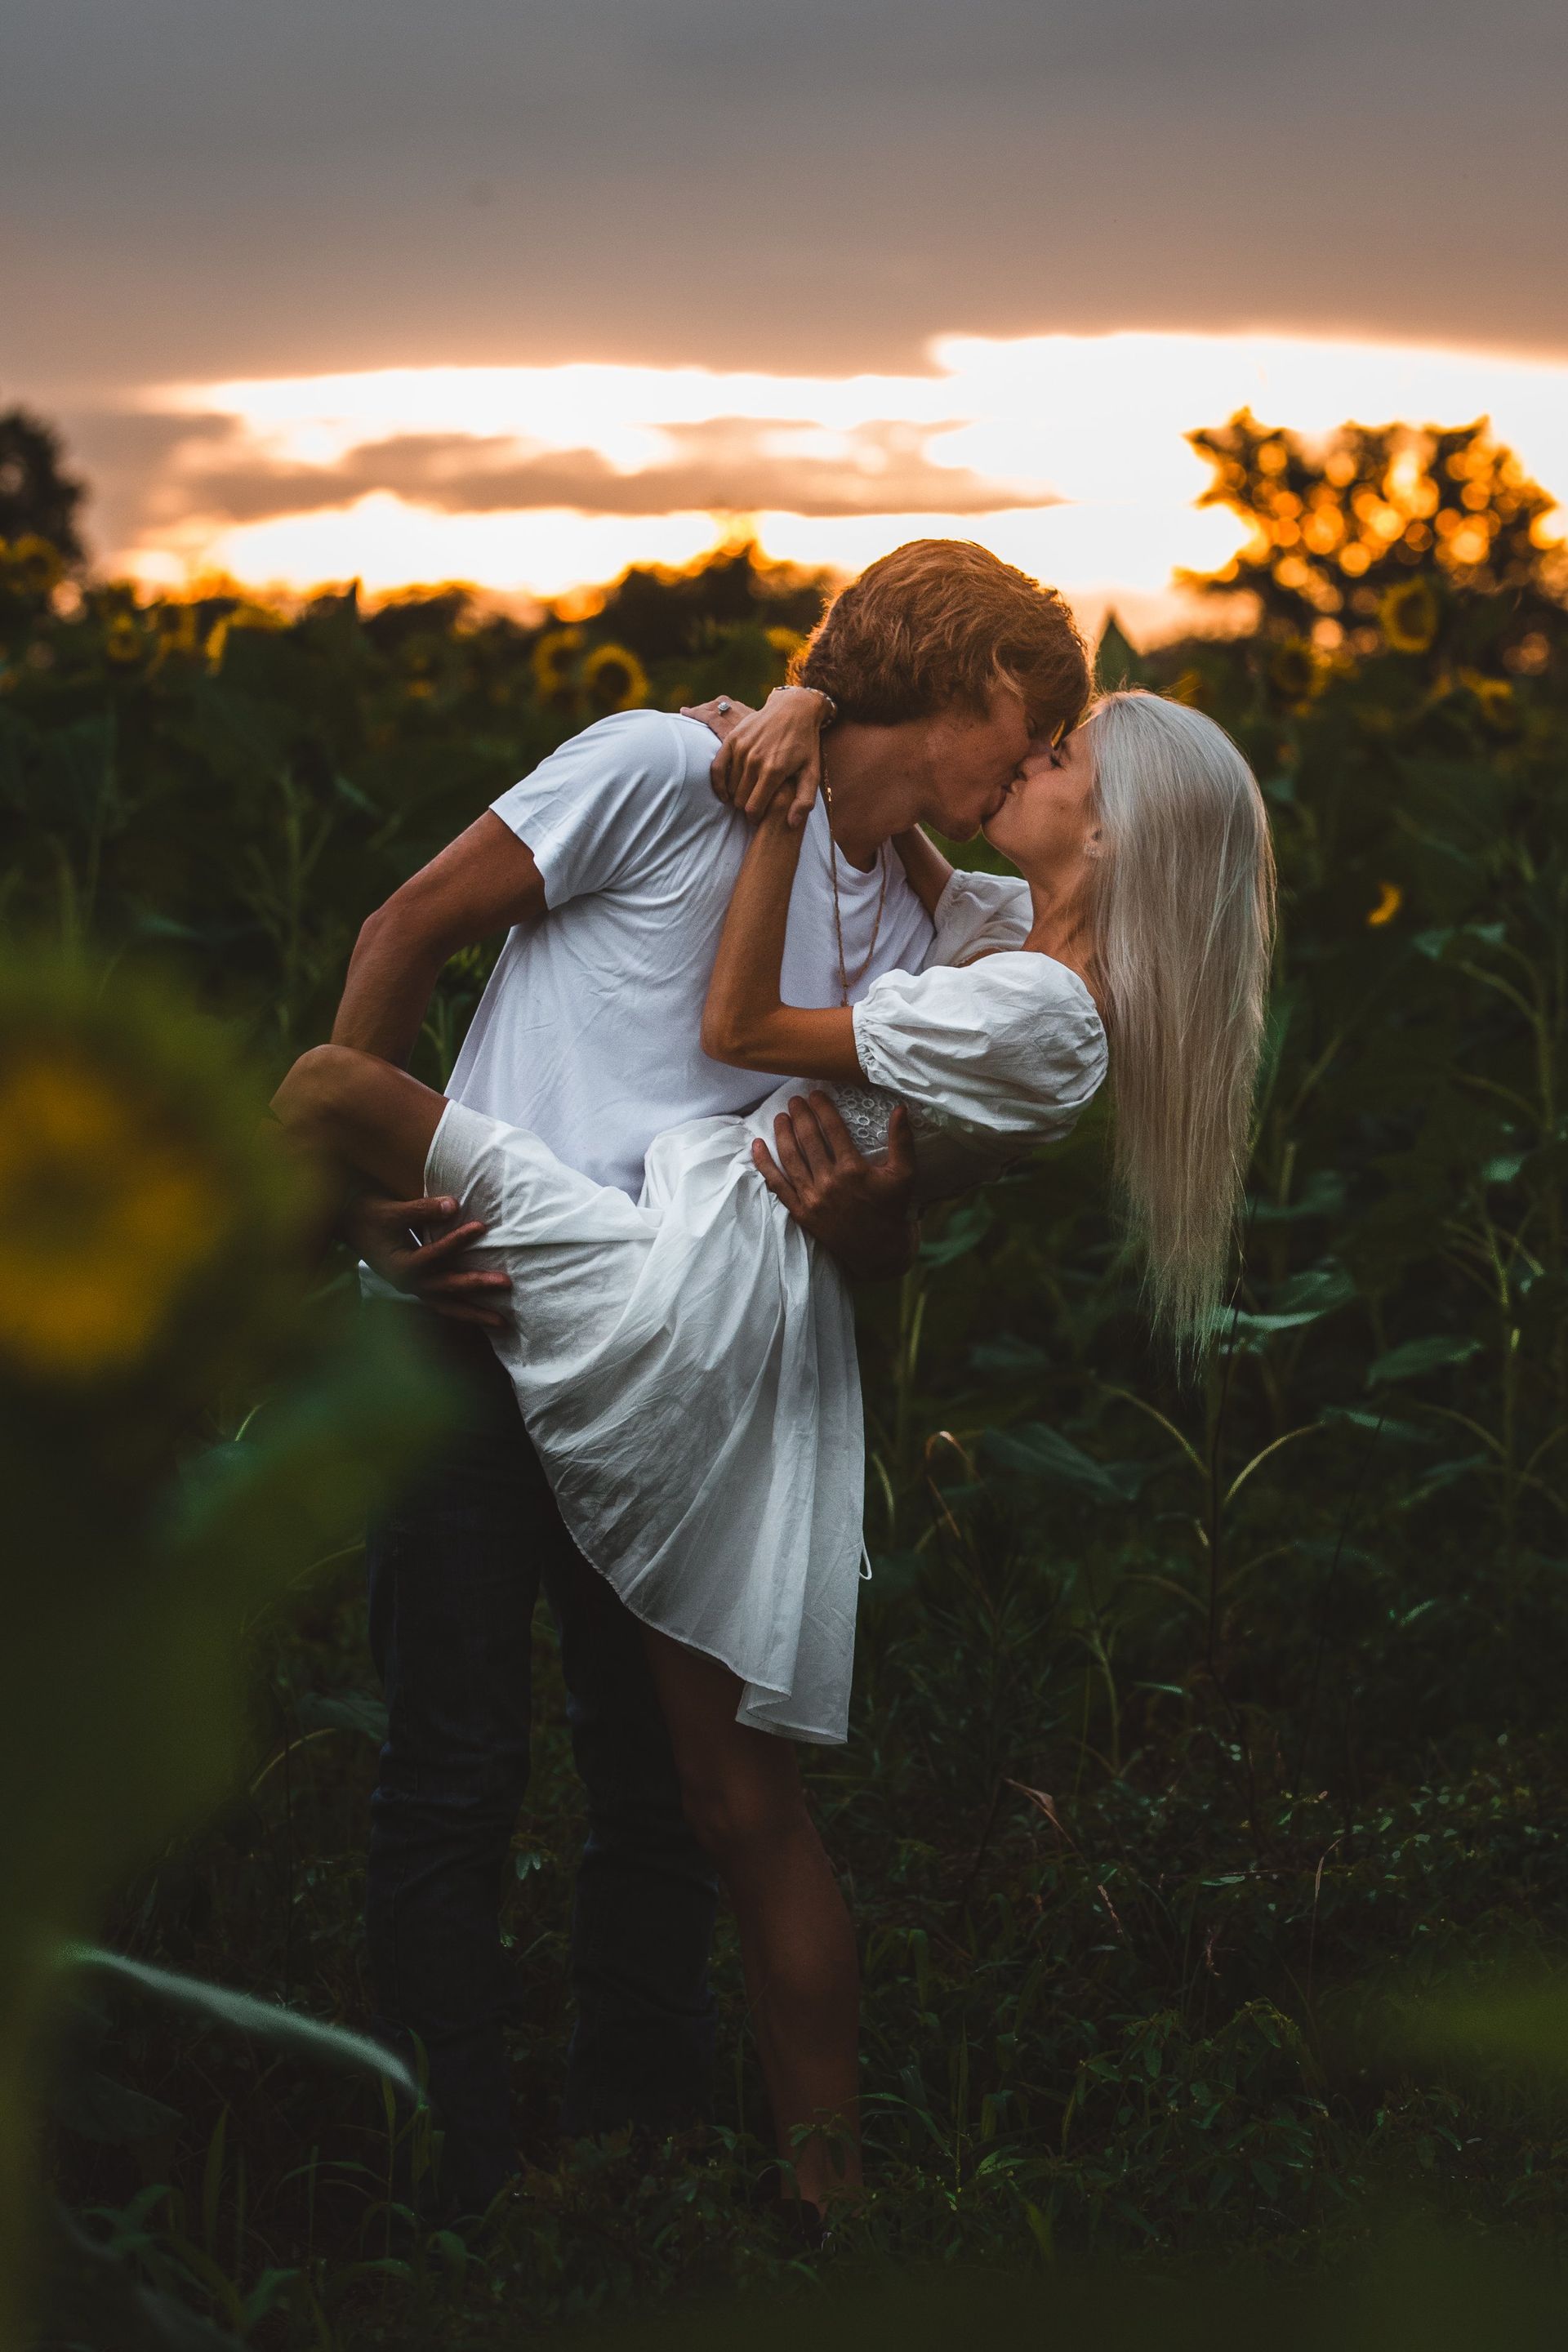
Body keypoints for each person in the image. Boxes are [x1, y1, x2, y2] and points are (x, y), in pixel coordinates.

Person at [279, 675, 1274, 2215]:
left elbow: (746, 1031)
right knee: (688, 1798)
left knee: (658, 1800)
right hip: (680, 1302)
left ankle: (584, 2184)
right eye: (1034, 725)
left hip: (682, 1302)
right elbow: (944, 904)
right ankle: (762, 2194)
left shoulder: (1038, 1003)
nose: (1036, 754)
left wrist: (788, 801)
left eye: (1065, 754)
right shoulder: (1011, 940)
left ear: (1121, 831)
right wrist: (807, 710)